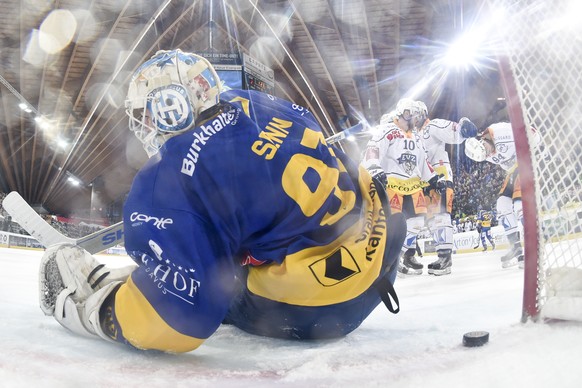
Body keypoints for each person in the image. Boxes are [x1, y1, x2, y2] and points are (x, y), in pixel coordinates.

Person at [37, 49, 408, 353]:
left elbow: (180, 323)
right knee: (225, 246)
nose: (144, 127)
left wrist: (91, 313)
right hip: (379, 249)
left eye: (148, 115)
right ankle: (159, 272)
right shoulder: (257, 102)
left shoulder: (169, 176)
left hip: (322, 304)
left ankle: (115, 293)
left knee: (200, 287)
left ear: (171, 108)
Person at [361, 98, 445, 276]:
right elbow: (373, 149)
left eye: (415, 116)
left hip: (413, 185)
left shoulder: (416, 137)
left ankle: (396, 257)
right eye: (410, 115)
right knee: (389, 224)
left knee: (417, 223)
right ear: (402, 113)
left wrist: (433, 178)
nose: (413, 120)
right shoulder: (388, 130)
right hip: (392, 183)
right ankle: (381, 259)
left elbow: (423, 161)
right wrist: (374, 166)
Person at [414, 101, 478, 275]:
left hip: (440, 175)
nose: (413, 117)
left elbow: (452, 131)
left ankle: (445, 259)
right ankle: (442, 255)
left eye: (415, 113)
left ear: (422, 113)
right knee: (433, 221)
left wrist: (463, 128)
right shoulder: (415, 135)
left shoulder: (431, 126)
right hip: (426, 181)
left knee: (441, 216)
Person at [464, 122, 540, 268]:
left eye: (486, 151)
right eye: (485, 156)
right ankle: (515, 247)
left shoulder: (500, 133)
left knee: (519, 205)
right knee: (502, 206)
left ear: (483, 141)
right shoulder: (484, 154)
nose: (488, 155)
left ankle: (534, 248)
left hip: (527, 162)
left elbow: (531, 131)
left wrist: (532, 148)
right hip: (514, 170)